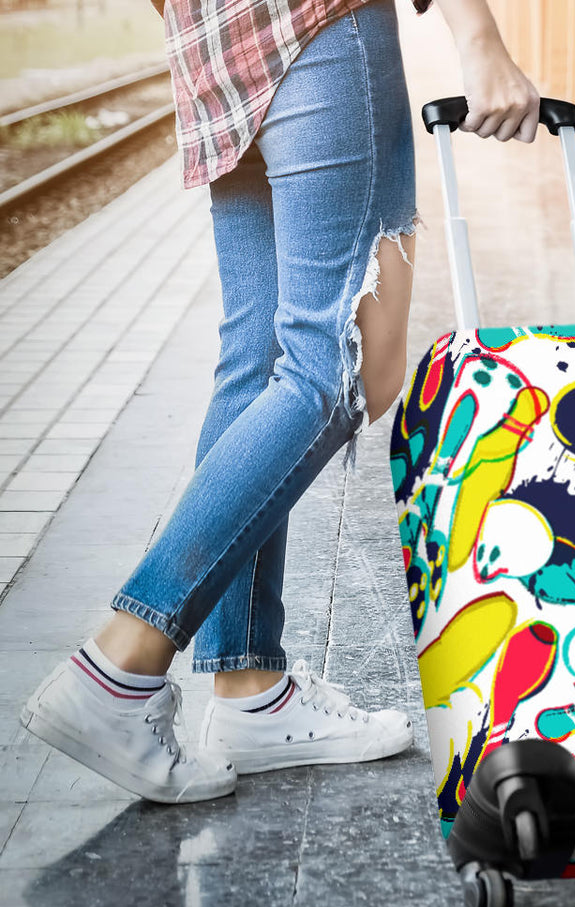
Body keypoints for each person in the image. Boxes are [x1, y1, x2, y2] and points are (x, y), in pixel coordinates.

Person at [20, 0, 540, 803]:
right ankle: (120, 665)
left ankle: (248, 689)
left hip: (214, 47)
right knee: (337, 367)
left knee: (259, 361)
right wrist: (480, 40)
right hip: (320, 25)